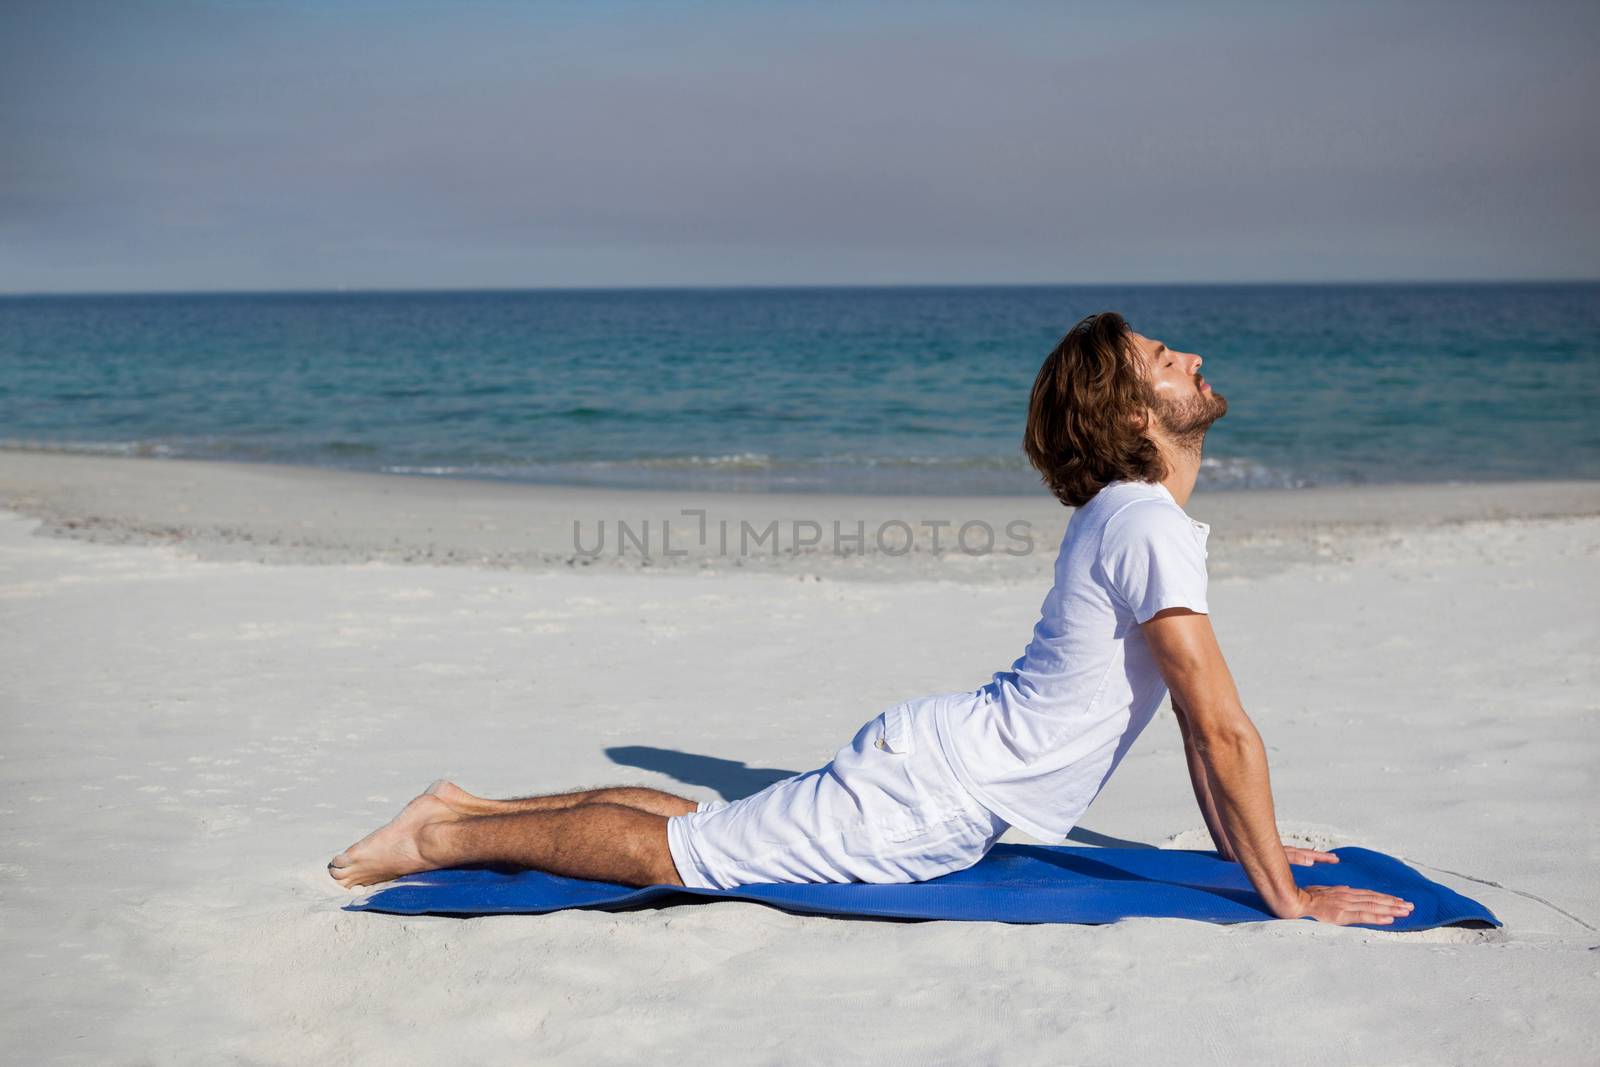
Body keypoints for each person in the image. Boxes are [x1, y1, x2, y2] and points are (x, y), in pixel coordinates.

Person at [330, 311, 1414, 927]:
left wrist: (1257, 848)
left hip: (934, 764)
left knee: (708, 822)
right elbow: (1220, 726)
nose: (1186, 354)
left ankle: (462, 802)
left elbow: (1195, 724)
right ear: (1137, 413)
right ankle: (437, 834)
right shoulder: (1143, 522)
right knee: (687, 851)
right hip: (929, 792)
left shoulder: (1130, 516)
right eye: (1158, 359)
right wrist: (1287, 901)